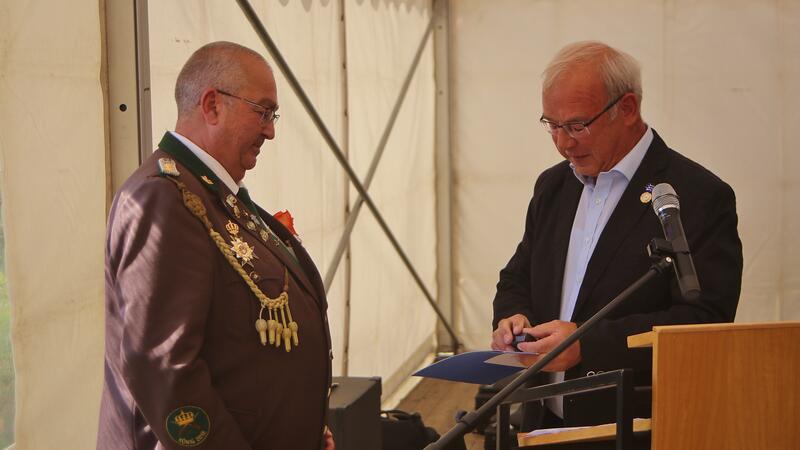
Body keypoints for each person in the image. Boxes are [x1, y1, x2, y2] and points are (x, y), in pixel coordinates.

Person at [491, 41, 743, 430]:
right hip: (541, 421)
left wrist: (587, 347)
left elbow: (704, 322)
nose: (563, 143)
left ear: (627, 108)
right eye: (552, 126)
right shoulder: (553, 186)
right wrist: (512, 316)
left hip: (635, 426)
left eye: (577, 125)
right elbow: (518, 275)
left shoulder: (697, 196)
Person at [98, 41, 335, 450]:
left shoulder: (211, 196)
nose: (270, 130)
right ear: (212, 106)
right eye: (263, 111)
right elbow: (166, 369)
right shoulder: (162, 200)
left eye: (272, 115)